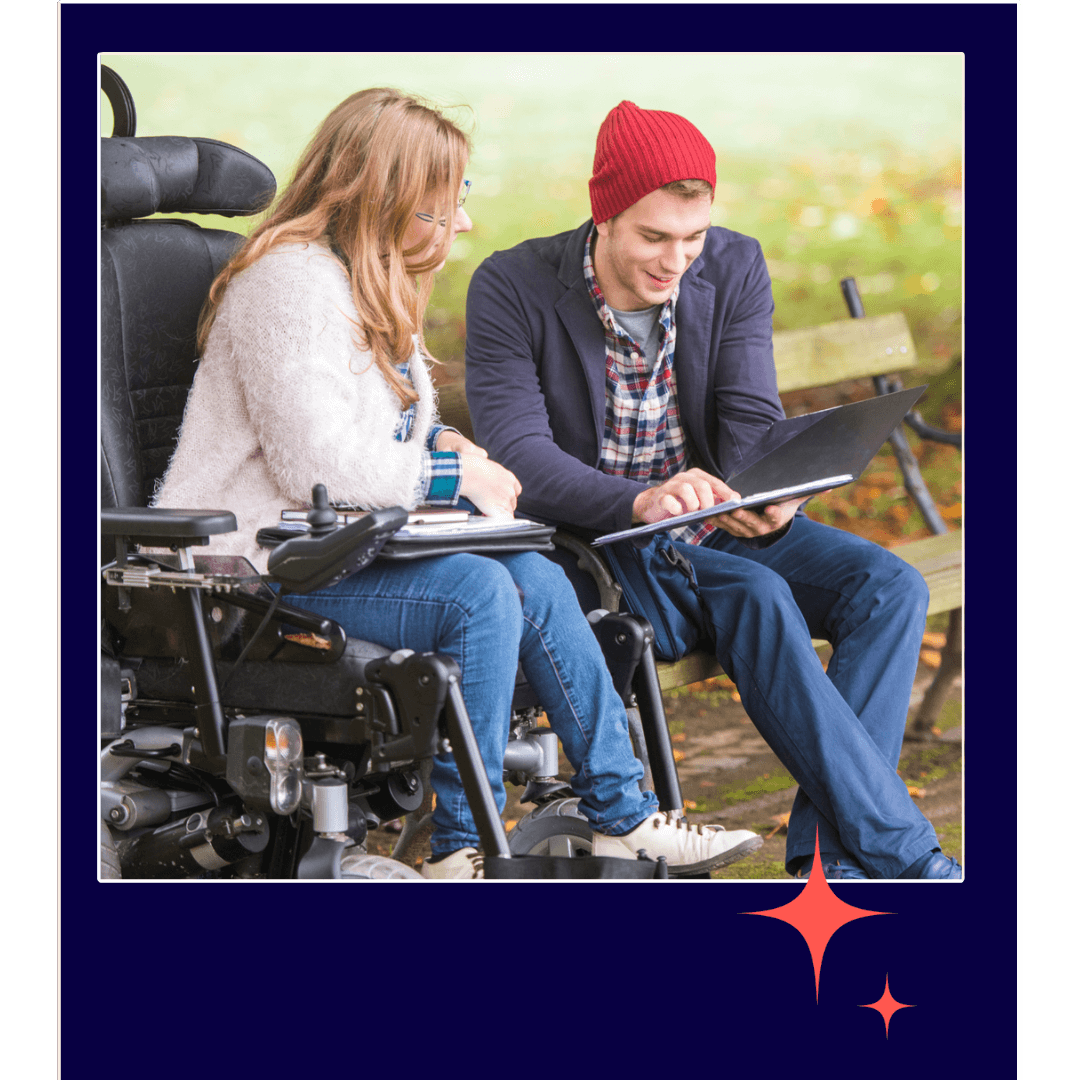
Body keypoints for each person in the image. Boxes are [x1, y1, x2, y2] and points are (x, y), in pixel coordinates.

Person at [152, 88, 763, 879]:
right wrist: (450, 472)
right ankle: (458, 849)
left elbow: (395, 424)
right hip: (249, 565)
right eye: (441, 209)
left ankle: (624, 818)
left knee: (538, 580)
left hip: (336, 547)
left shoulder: (368, 277)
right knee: (478, 591)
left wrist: (447, 442)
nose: (461, 225)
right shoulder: (289, 284)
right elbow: (318, 465)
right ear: (384, 198)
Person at [464, 100, 961, 880]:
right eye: (654, 238)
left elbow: (749, 416)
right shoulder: (514, 286)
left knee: (888, 587)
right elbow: (520, 454)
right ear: (604, 215)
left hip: (714, 518)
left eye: (692, 237)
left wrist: (776, 483)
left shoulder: (731, 266)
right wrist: (641, 500)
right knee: (757, 595)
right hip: (602, 542)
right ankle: (904, 858)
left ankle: (829, 862)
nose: (676, 261)